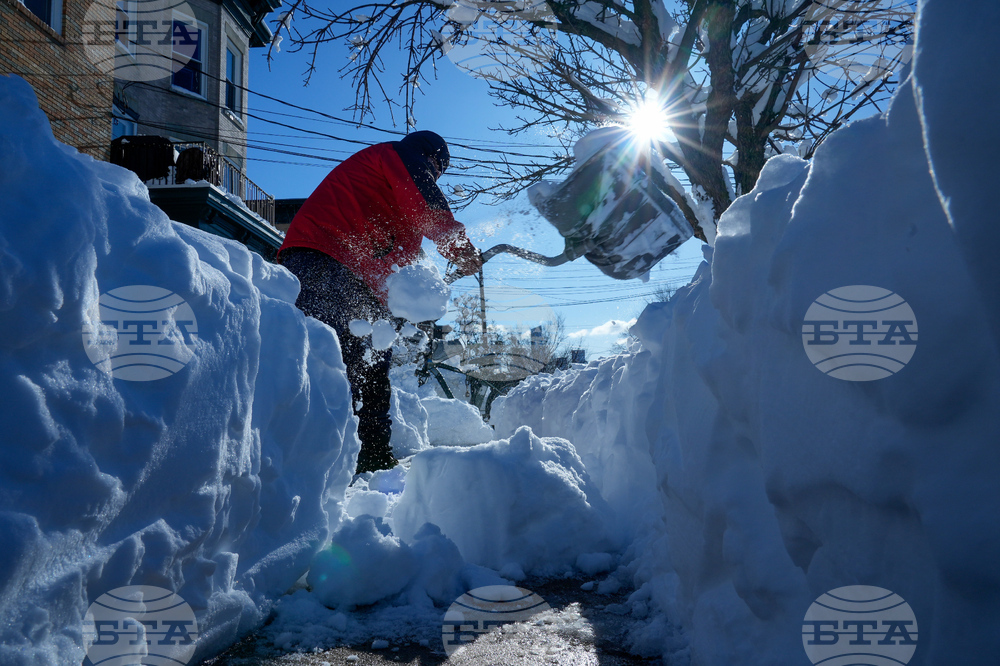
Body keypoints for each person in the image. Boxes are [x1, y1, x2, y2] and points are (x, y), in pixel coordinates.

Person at [278, 131, 482, 473]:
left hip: (351, 274)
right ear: (432, 159)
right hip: (324, 257)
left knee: (371, 364)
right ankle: (309, 463)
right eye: (437, 170)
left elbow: (403, 260)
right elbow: (425, 201)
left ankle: (369, 454)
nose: (434, 177)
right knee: (332, 359)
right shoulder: (397, 156)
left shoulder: (388, 193)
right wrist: (459, 249)